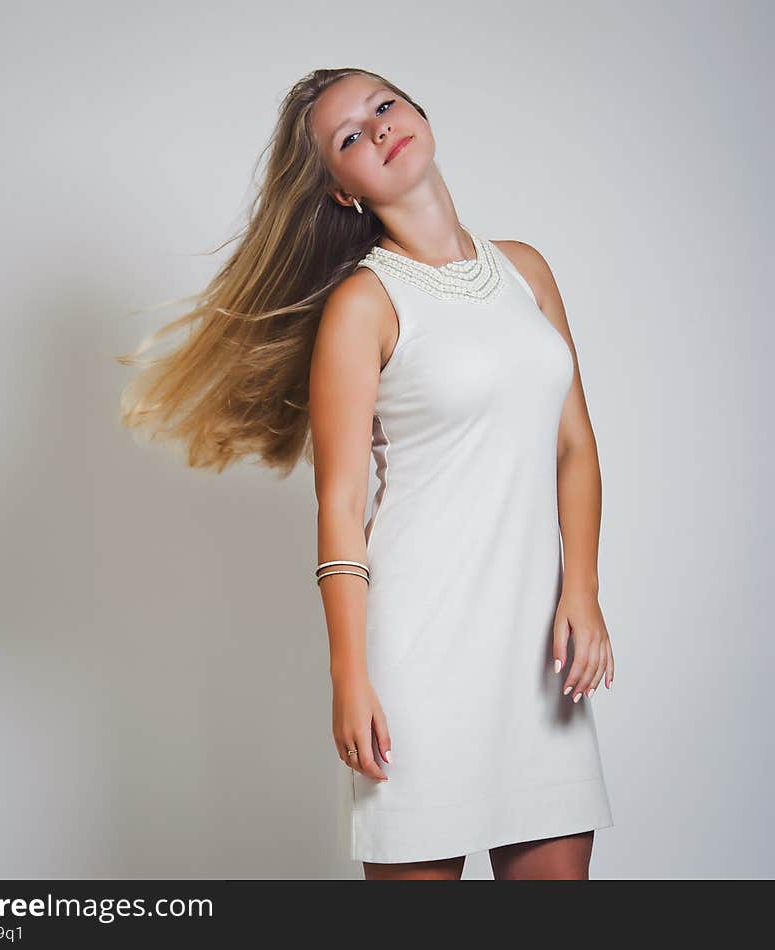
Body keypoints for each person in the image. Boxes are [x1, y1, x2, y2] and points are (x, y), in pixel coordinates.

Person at [117, 67, 616, 881]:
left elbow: (576, 447)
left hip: (538, 657)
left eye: (384, 106)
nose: (378, 128)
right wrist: (350, 676)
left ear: (419, 110)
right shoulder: (365, 305)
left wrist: (583, 592)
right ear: (341, 190)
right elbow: (341, 504)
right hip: (419, 656)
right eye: (349, 136)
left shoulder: (527, 270)